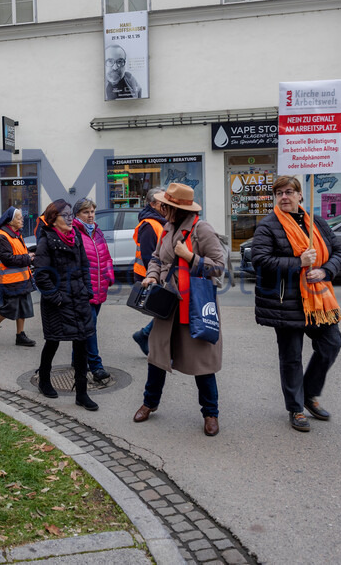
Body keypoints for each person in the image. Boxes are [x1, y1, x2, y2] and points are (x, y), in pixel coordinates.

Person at [251, 176, 341, 433]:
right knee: (291, 357)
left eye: (290, 191)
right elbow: (259, 261)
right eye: (279, 192)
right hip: (286, 301)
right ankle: (296, 408)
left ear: (300, 195)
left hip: (318, 299)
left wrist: (326, 271)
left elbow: (339, 253)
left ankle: (309, 393)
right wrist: (299, 263)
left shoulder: (318, 223)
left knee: (331, 343)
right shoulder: (268, 226)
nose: (284, 196)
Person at [135, 183, 226, 437]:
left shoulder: (202, 229)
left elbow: (219, 267)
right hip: (167, 304)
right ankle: (149, 403)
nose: (161, 209)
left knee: (202, 364)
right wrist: (152, 276)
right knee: (157, 357)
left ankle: (210, 413)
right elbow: (155, 258)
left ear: (177, 208)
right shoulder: (167, 228)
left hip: (194, 306)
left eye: (165, 206)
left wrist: (190, 257)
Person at [33, 199, 99, 411]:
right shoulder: (47, 241)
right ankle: (44, 379)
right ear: (54, 219)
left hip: (79, 298)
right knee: (53, 341)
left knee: (82, 344)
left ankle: (81, 393)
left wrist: (88, 290)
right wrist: (57, 297)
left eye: (72, 215)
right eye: (66, 215)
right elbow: (41, 276)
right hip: (58, 303)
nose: (71, 219)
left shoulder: (76, 236)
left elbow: (84, 266)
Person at [72, 198, 115, 382]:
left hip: (100, 288)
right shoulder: (74, 233)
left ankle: (76, 360)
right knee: (90, 328)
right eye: (86, 212)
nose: (90, 216)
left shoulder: (97, 232)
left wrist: (109, 275)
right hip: (84, 291)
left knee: (86, 328)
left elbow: (106, 257)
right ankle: (96, 367)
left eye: (92, 212)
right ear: (77, 215)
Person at [0, 207, 37, 348]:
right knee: (9, 308)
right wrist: (27, 258)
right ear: (10, 221)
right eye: (19, 218)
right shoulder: (2, 237)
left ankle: (20, 335)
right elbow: (8, 259)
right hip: (9, 281)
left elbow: (19, 253)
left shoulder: (16, 234)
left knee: (24, 308)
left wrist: (30, 254)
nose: (22, 219)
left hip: (22, 278)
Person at [131, 187, 167, 355]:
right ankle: (146, 336)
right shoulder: (150, 224)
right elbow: (148, 255)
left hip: (156, 273)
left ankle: (145, 335)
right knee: (166, 310)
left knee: (166, 310)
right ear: (153, 204)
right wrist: (154, 277)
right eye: (162, 202)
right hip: (149, 274)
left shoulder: (159, 221)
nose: (166, 205)